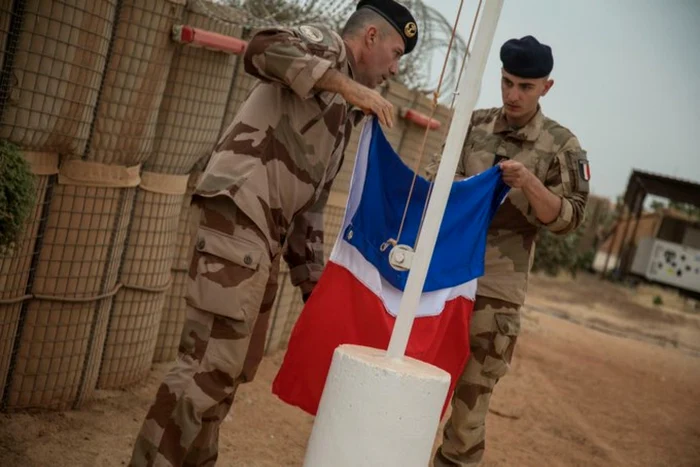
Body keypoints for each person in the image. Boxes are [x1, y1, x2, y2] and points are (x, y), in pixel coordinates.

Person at [128, 1, 418, 465]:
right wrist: (346, 86)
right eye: (396, 51)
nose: (395, 68)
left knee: (234, 370)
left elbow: (309, 209)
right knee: (208, 366)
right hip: (241, 216)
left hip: (265, 237)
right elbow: (261, 49)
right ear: (369, 38)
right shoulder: (325, 47)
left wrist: (315, 287)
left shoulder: (344, 111)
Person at [426, 35, 591, 466]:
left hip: (496, 293)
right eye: (507, 82)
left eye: (526, 87)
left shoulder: (561, 146)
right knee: (417, 387)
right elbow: (431, 183)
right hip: (442, 281)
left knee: (467, 416)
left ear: (546, 88)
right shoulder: (472, 124)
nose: (513, 95)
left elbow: (569, 219)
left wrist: (531, 184)